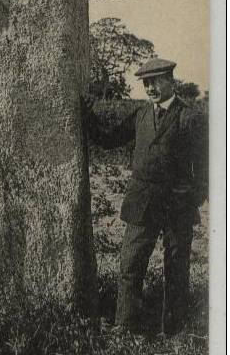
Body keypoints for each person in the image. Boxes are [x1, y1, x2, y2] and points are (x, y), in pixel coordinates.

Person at [86, 57, 208, 335]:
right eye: (146, 83)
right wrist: (87, 116)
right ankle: (125, 326)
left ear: (170, 81)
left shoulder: (190, 117)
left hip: (178, 204)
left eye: (156, 81)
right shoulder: (141, 115)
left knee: (177, 266)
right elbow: (109, 139)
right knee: (130, 263)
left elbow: (206, 165)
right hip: (142, 201)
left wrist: (194, 196)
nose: (150, 88)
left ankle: (174, 329)